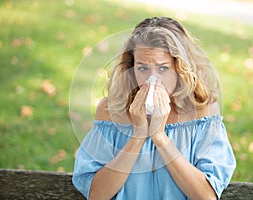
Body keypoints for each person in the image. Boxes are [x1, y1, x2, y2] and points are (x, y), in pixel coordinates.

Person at [72, 16, 236, 200]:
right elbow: (97, 195)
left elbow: (206, 196)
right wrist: (138, 135)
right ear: (131, 67)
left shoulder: (203, 112)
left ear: (180, 68)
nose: (152, 79)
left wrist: (159, 136)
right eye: (142, 68)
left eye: (163, 68)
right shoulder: (109, 111)